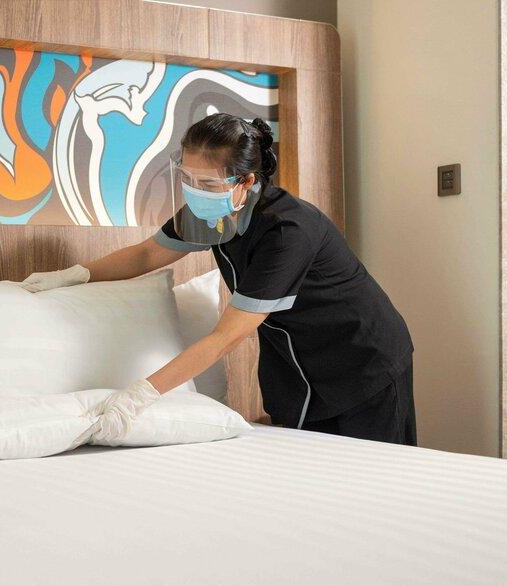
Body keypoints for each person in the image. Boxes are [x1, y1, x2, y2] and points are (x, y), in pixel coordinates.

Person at [21, 113, 416, 445]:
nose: (196, 193)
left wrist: (140, 395)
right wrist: (76, 274)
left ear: (246, 181)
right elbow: (146, 254)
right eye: (188, 179)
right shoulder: (210, 214)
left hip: (363, 359)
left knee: (377, 479)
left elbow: (225, 337)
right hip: (297, 363)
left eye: (209, 184)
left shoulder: (286, 232)